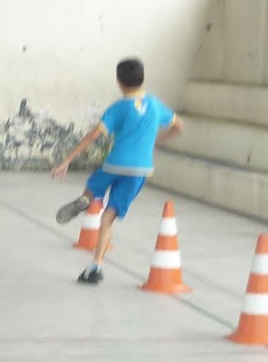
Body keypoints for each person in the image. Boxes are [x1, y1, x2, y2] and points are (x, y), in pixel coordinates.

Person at [52, 58, 183, 284]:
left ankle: (87, 198)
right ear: (143, 79)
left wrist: (67, 161)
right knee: (108, 218)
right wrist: (156, 142)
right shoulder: (155, 104)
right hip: (140, 170)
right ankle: (96, 266)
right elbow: (178, 125)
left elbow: (94, 136)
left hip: (115, 164)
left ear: (119, 82)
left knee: (94, 188)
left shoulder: (118, 108)